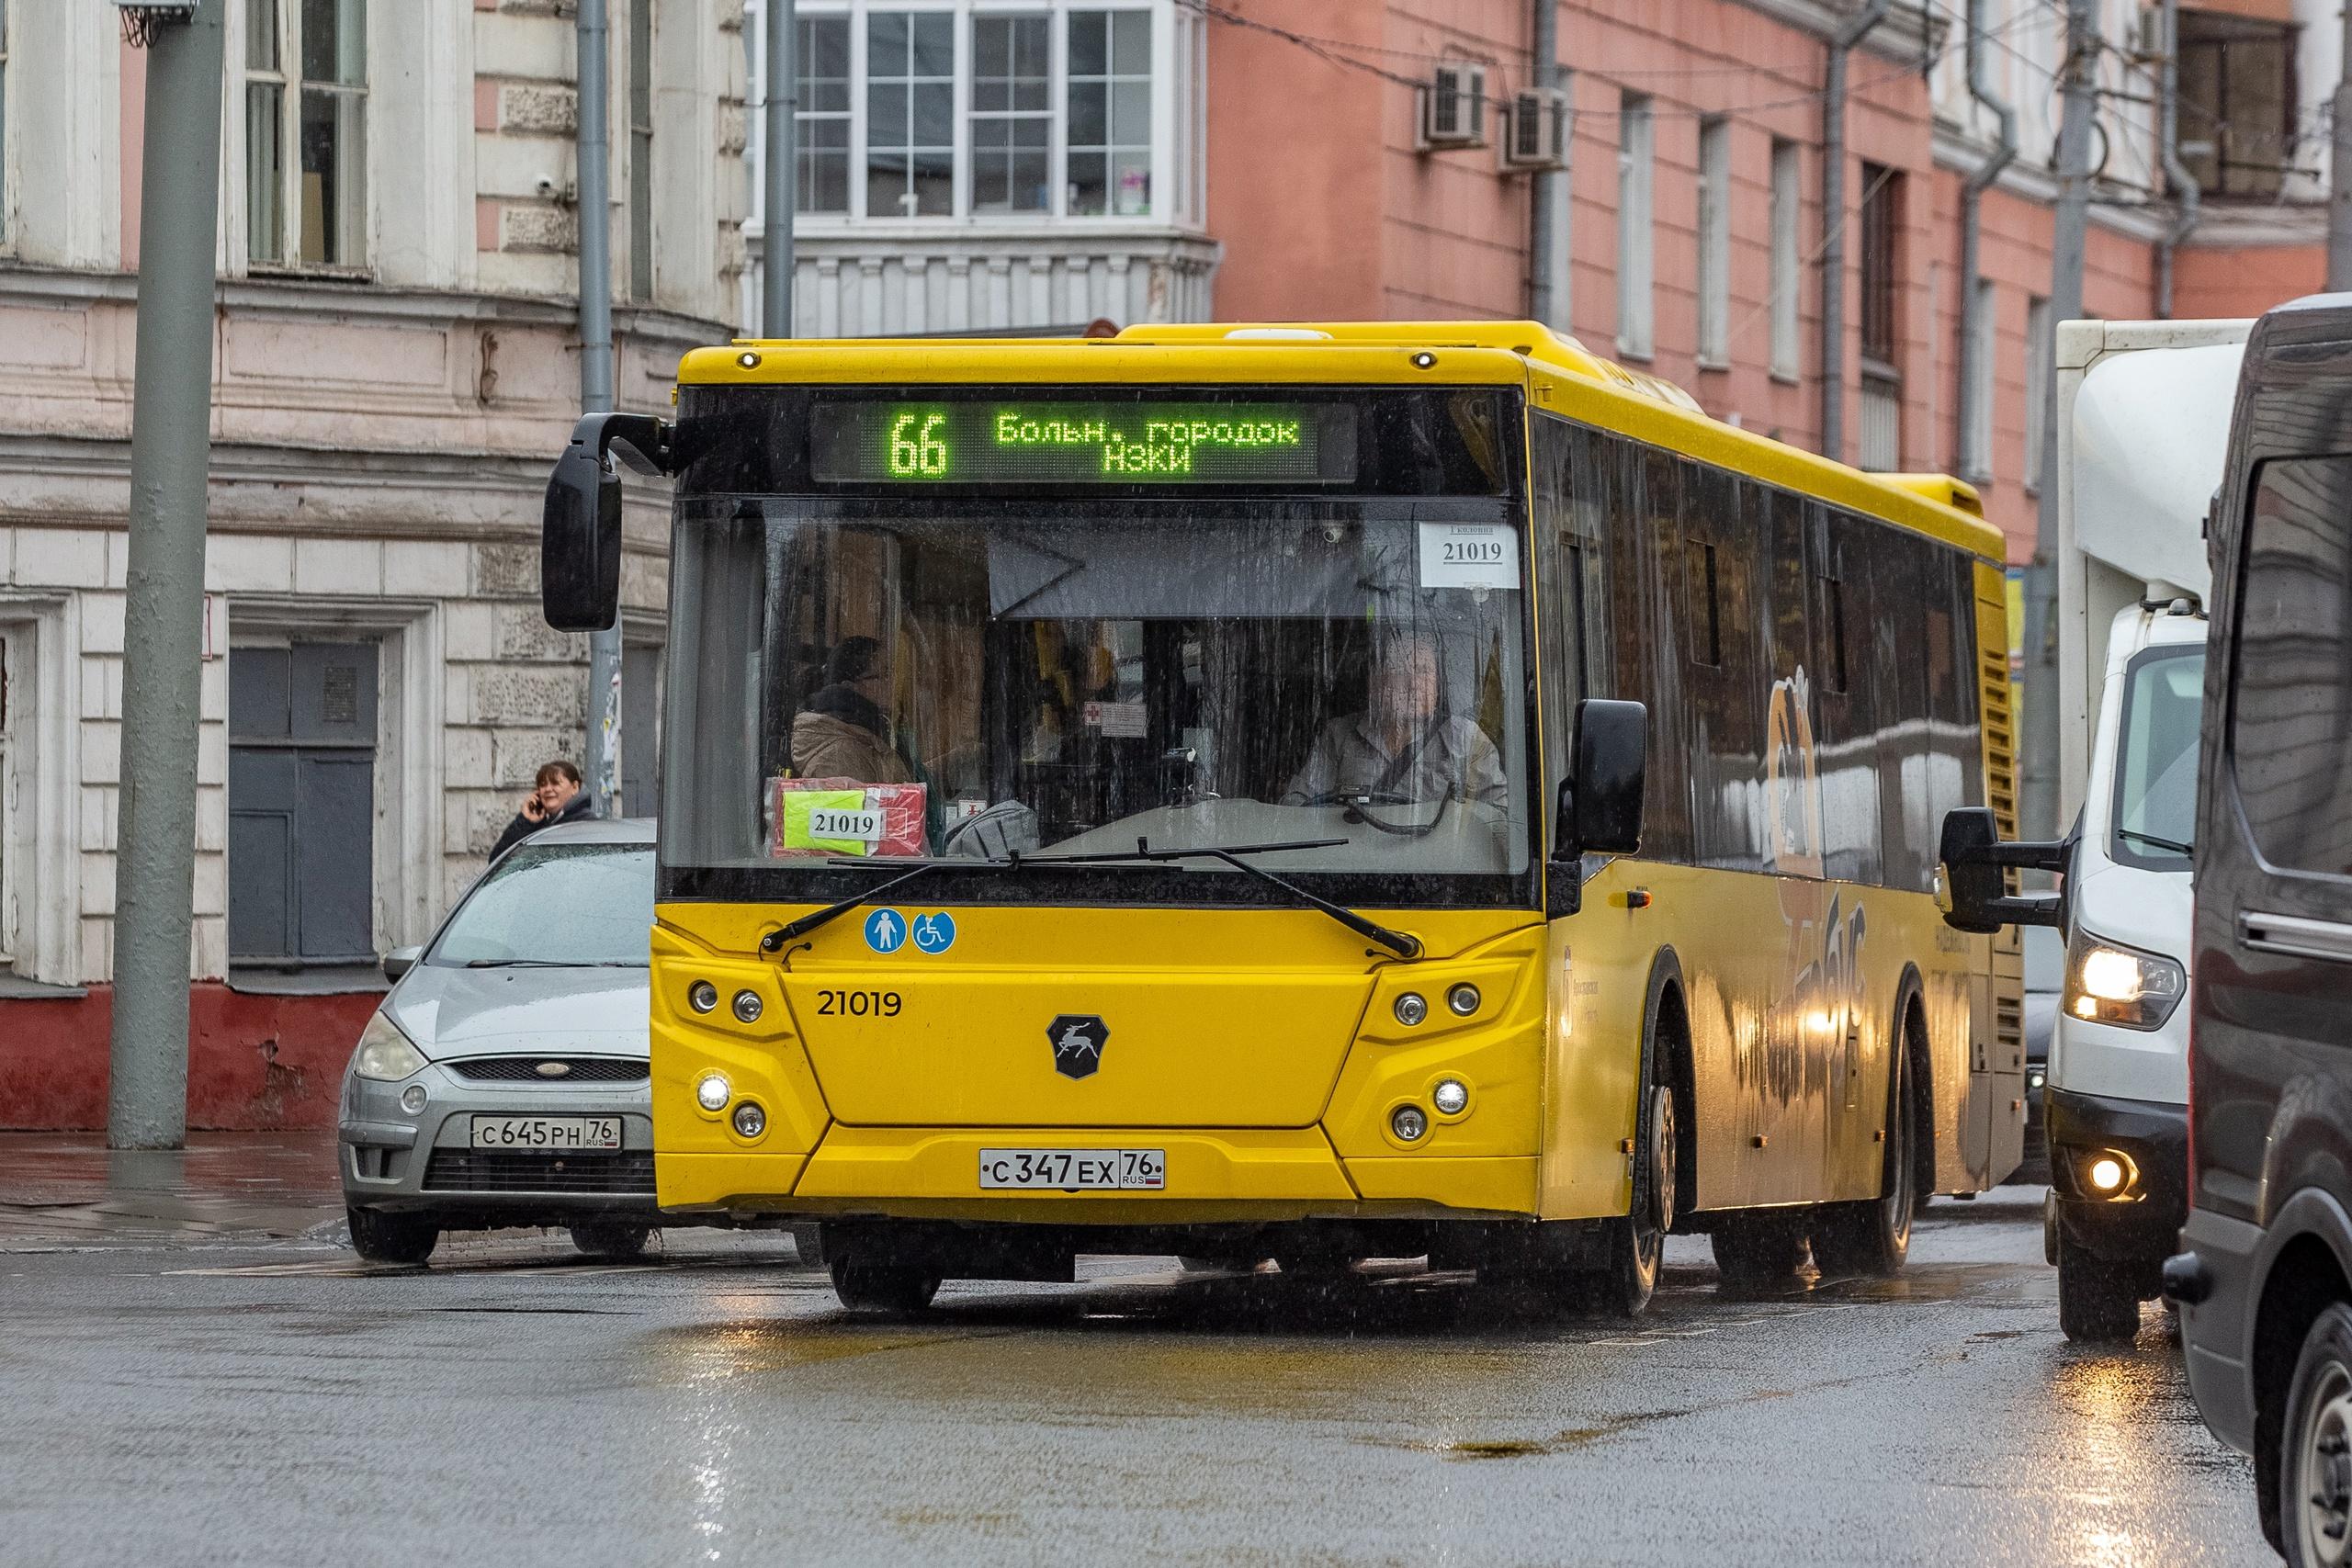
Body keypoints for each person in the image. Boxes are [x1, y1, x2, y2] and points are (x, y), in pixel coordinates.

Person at [1283, 631, 1508, 809]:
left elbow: (1499, 815)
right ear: (1375, 683)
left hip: (1436, 865)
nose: (1413, 685)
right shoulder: (1339, 735)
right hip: (1353, 861)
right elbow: (1296, 805)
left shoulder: (1465, 739)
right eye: (1400, 671)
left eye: (1423, 671)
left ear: (1437, 684)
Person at [792, 636, 915, 784]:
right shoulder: (839, 754)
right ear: (851, 685)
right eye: (885, 674)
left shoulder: (866, 732)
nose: (894, 683)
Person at [492, 760, 594, 858]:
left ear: (575, 787)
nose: (548, 789)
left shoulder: (587, 824)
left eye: (555, 783)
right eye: (543, 785)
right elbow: (497, 861)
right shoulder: (539, 824)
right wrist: (525, 821)